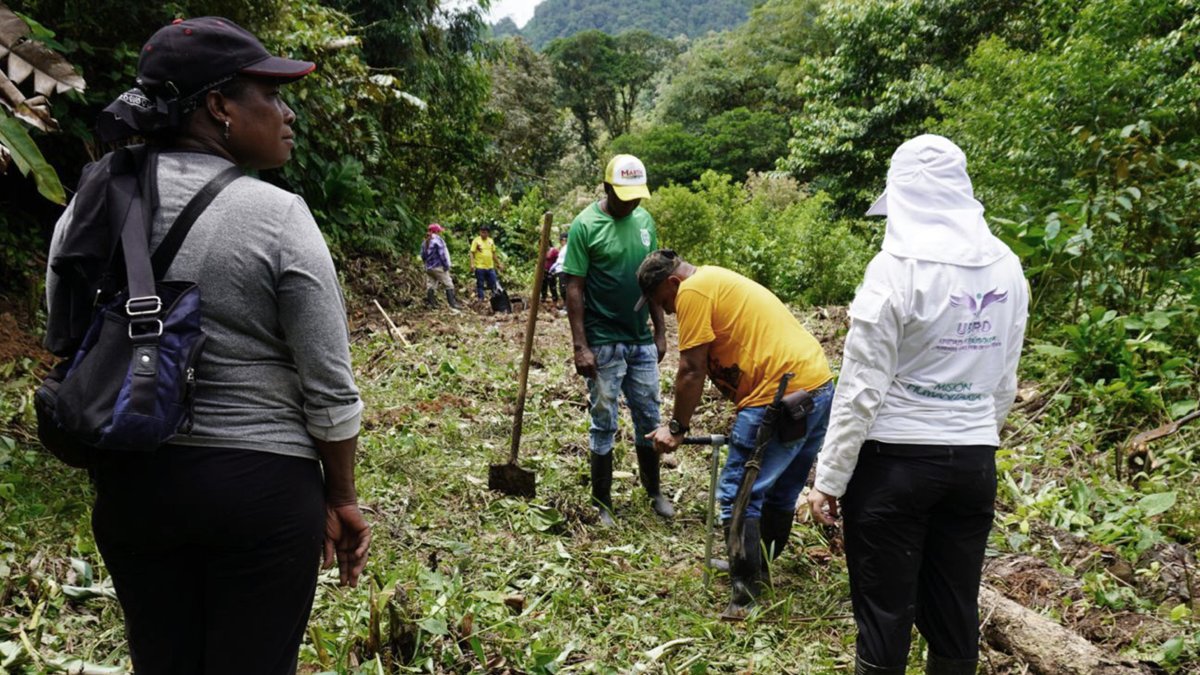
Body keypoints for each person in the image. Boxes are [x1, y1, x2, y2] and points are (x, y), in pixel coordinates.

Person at [44, 17, 369, 674]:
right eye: (269, 95)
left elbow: (65, 331)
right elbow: (331, 392)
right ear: (219, 106)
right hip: (262, 497)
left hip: (134, 490)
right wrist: (341, 496)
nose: (286, 115)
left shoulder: (91, 201)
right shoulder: (278, 217)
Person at [807, 135, 1028, 675]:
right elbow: (1004, 378)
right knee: (954, 614)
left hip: (894, 467)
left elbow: (861, 388)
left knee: (884, 619)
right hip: (973, 464)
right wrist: (975, 436)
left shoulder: (894, 269)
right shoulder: (1006, 266)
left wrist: (829, 479)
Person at [640, 250, 834, 619]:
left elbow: (691, 369)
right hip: (816, 386)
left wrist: (677, 427)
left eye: (663, 302)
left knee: (738, 495)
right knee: (780, 489)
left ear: (672, 283)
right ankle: (760, 570)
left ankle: (745, 599)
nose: (666, 312)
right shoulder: (714, 277)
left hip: (775, 396)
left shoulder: (693, 291)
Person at [562, 154, 672, 526]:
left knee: (649, 415)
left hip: (639, 337)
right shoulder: (585, 225)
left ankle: (654, 490)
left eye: (637, 196)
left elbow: (654, 279)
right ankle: (602, 501)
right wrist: (580, 346)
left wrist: (659, 331)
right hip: (603, 339)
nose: (632, 203)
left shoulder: (644, 221)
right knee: (604, 418)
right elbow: (573, 287)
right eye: (625, 196)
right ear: (608, 187)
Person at [421, 222, 459, 309]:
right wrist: (446, 266)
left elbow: (422, 256)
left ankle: (432, 304)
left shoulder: (425, 241)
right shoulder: (438, 240)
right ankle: (453, 304)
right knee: (448, 284)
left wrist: (427, 264)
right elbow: (442, 255)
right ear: (437, 231)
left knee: (431, 285)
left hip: (428, 268)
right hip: (438, 267)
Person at [470, 225, 501, 301]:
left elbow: (493, 253)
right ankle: (481, 299)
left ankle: (496, 298)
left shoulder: (491, 241)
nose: (483, 234)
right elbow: (472, 252)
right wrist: (472, 264)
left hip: (490, 267)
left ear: (488, 233)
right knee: (480, 284)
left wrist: (498, 263)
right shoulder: (476, 241)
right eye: (482, 232)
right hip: (480, 267)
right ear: (480, 232)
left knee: (493, 283)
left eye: (485, 232)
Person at [550, 230, 569, 308]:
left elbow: (562, 261)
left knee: (564, 290)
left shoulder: (568, 248)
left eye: (561, 240)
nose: (560, 242)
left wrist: (553, 267)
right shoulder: (563, 248)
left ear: (564, 240)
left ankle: (567, 307)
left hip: (563, 270)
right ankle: (565, 305)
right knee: (562, 289)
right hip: (559, 270)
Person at [541, 234, 561, 304]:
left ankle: (555, 300)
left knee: (552, 286)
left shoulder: (554, 251)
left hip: (552, 271)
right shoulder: (543, 251)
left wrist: (555, 268)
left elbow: (559, 259)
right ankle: (543, 298)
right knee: (543, 285)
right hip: (544, 271)